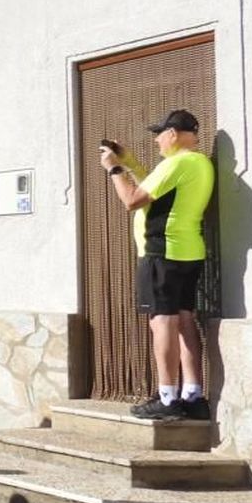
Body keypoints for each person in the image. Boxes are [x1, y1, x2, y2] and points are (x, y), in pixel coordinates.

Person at [99, 110, 216, 421]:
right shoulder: (199, 163)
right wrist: (129, 162)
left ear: (173, 134)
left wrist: (114, 170)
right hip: (188, 252)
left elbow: (133, 199)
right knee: (185, 320)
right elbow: (156, 192)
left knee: (162, 322)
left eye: (160, 134)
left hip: (161, 253)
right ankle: (193, 396)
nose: (157, 140)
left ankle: (167, 397)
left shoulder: (176, 163)